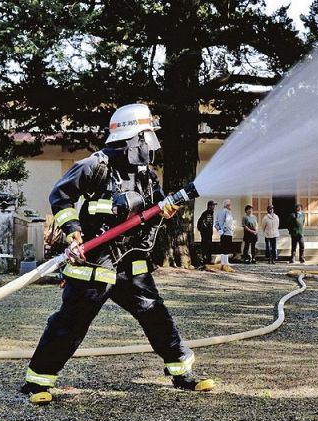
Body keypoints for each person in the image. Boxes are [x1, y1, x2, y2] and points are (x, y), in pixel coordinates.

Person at [21, 104, 215, 405]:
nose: (149, 146)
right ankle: (37, 381)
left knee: (155, 313)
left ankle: (181, 372)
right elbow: (61, 197)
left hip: (130, 260)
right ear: (130, 139)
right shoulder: (95, 166)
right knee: (70, 323)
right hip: (93, 262)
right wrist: (72, 231)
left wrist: (165, 208)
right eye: (144, 138)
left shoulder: (146, 175)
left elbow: (153, 209)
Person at [214, 199, 235, 267]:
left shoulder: (219, 212)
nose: (231, 206)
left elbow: (216, 223)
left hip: (222, 233)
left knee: (223, 247)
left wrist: (219, 230)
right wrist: (223, 229)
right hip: (227, 232)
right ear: (228, 205)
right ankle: (226, 262)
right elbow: (227, 222)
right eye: (230, 205)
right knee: (227, 247)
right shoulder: (228, 212)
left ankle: (223, 262)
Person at [196, 200, 216, 265]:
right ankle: (205, 260)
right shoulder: (206, 213)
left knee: (209, 247)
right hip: (206, 234)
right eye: (213, 205)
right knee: (205, 247)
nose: (214, 207)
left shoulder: (210, 213)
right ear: (209, 206)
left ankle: (208, 260)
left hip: (209, 234)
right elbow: (200, 223)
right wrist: (204, 231)